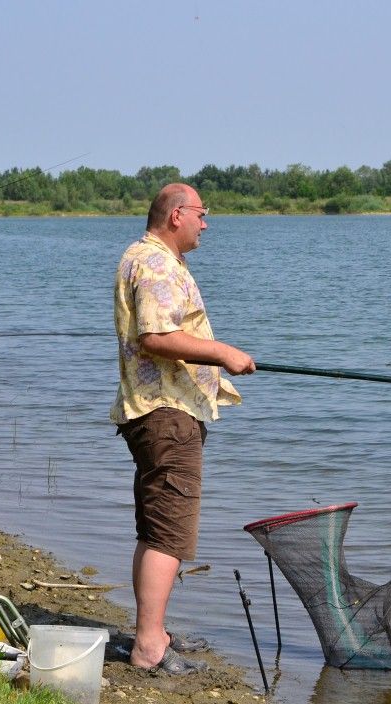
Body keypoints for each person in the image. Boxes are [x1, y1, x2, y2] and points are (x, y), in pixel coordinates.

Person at [110, 183, 255, 675]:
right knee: (169, 535)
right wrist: (225, 353)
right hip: (165, 414)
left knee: (156, 531)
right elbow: (155, 337)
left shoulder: (147, 258)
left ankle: (151, 632)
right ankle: (150, 647)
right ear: (176, 216)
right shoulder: (154, 264)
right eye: (201, 213)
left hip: (158, 413)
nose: (206, 223)